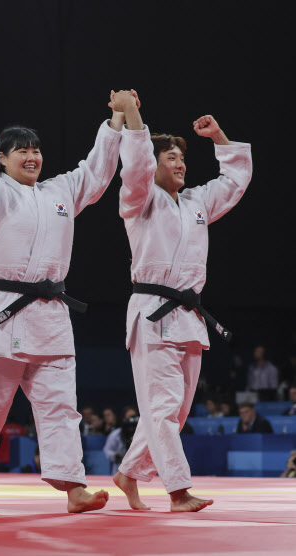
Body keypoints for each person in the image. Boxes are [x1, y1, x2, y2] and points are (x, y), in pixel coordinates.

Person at [0, 90, 133, 514]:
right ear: (1, 159)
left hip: (51, 313)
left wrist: (115, 121)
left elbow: (95, 171)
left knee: (61, 407)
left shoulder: (60, 192)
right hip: (0, 311)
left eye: (36, 150)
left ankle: (74, 487)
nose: (31, 156)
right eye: (21, 150)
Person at [111, 93, 253, 512]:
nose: (179, 163)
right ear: (152, 165)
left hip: (189, 316)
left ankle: (129, 472)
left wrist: (219, 138)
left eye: (181, 158)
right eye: (169, 157)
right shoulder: (139, 200)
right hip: (152, 314)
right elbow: (134, 167)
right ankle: (178, 491)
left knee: (175, 412)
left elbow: (233, 183)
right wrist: (132, 114)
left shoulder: (194, 204)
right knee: (162, 406)